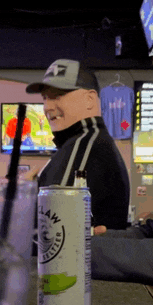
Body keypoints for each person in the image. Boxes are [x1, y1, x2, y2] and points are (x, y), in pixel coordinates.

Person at [25, 58, 130, 254]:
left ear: (89, 99)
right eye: (45, 98)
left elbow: (48, 242)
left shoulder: (83, 146)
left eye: (58, 95)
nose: (47, 107)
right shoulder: (87, 142)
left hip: (72, 280)